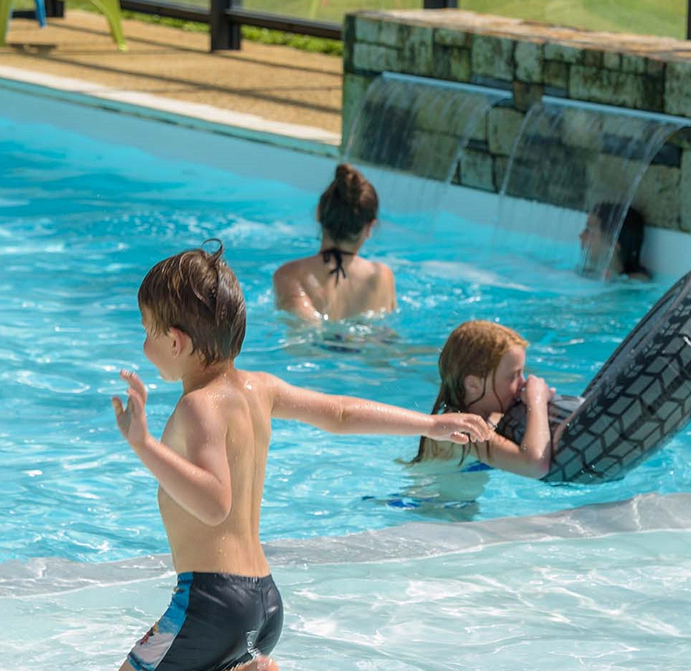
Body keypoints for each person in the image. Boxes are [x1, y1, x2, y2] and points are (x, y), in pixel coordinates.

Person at [93, 242, 492, 671]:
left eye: (147, 331)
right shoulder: (260, 388)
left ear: (176, 340)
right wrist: (431, 423)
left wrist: (144, 445)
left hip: (210, 602)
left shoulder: (197, 407)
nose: (145, 345)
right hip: (261, 602)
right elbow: (343, 413)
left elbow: (215, 502)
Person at [409, 320, 558, 480]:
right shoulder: (461, 429)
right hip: (428, 503)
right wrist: (537, 401)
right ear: (473, 385)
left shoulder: (490, 418)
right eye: (513, 376)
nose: (523, 383)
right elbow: (534, 466)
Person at [274, 163, 397, 322]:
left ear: (319, 213)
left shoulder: (289, 275)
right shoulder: (383, 277)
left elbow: (304, 330)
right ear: (369, 227)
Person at [579, 203, 651, 282]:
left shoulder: (634, 282)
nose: (581, 235)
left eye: (589, 230)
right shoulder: (587, 272)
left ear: (612, 243)